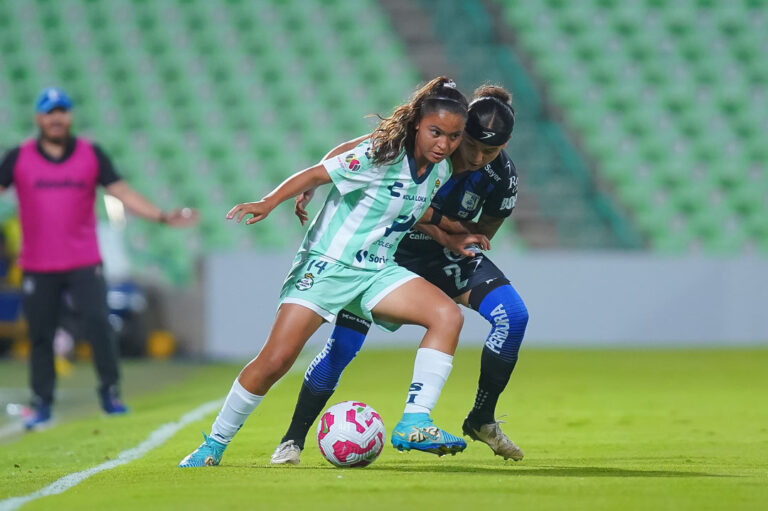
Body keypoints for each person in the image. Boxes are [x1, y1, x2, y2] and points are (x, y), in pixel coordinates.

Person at [178, 76, 475, 467]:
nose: (444, 144)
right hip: (327, 266)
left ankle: (414, 421)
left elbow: (405, 211)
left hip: (376, 272)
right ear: (418, 122)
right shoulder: (380, 154)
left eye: (454, 137)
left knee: (446, 316)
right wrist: (269, 202)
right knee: (276, 361)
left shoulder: (438, 173)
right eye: (436, 132)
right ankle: (212, 445)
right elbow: (318, 173)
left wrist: (446, 236)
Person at [270, 85, 528, 465]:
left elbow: (481, 232)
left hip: (444, 254)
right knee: (342, 349)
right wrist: (311, 189)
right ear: (459, 131)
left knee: (513, 316)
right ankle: (292, 439)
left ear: (503, 147)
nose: (476, 156)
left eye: (489, 151)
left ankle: (481, 418)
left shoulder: (501, 177)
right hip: (386, 254)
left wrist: (458, 237)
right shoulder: (416, 144)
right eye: (470, 144)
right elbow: (349, 153)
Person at [0, 87, 199, 430]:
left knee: (98, 326)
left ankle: (110, 394)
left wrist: (162, 216)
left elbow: (122, 192)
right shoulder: (19, 157)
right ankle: (41, 403)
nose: (56, 118)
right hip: (37, 263)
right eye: (49, 112)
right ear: (38, 118)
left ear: (70, 116)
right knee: (40, 335)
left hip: (83, 261)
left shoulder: (91, 155)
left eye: (62, 111)